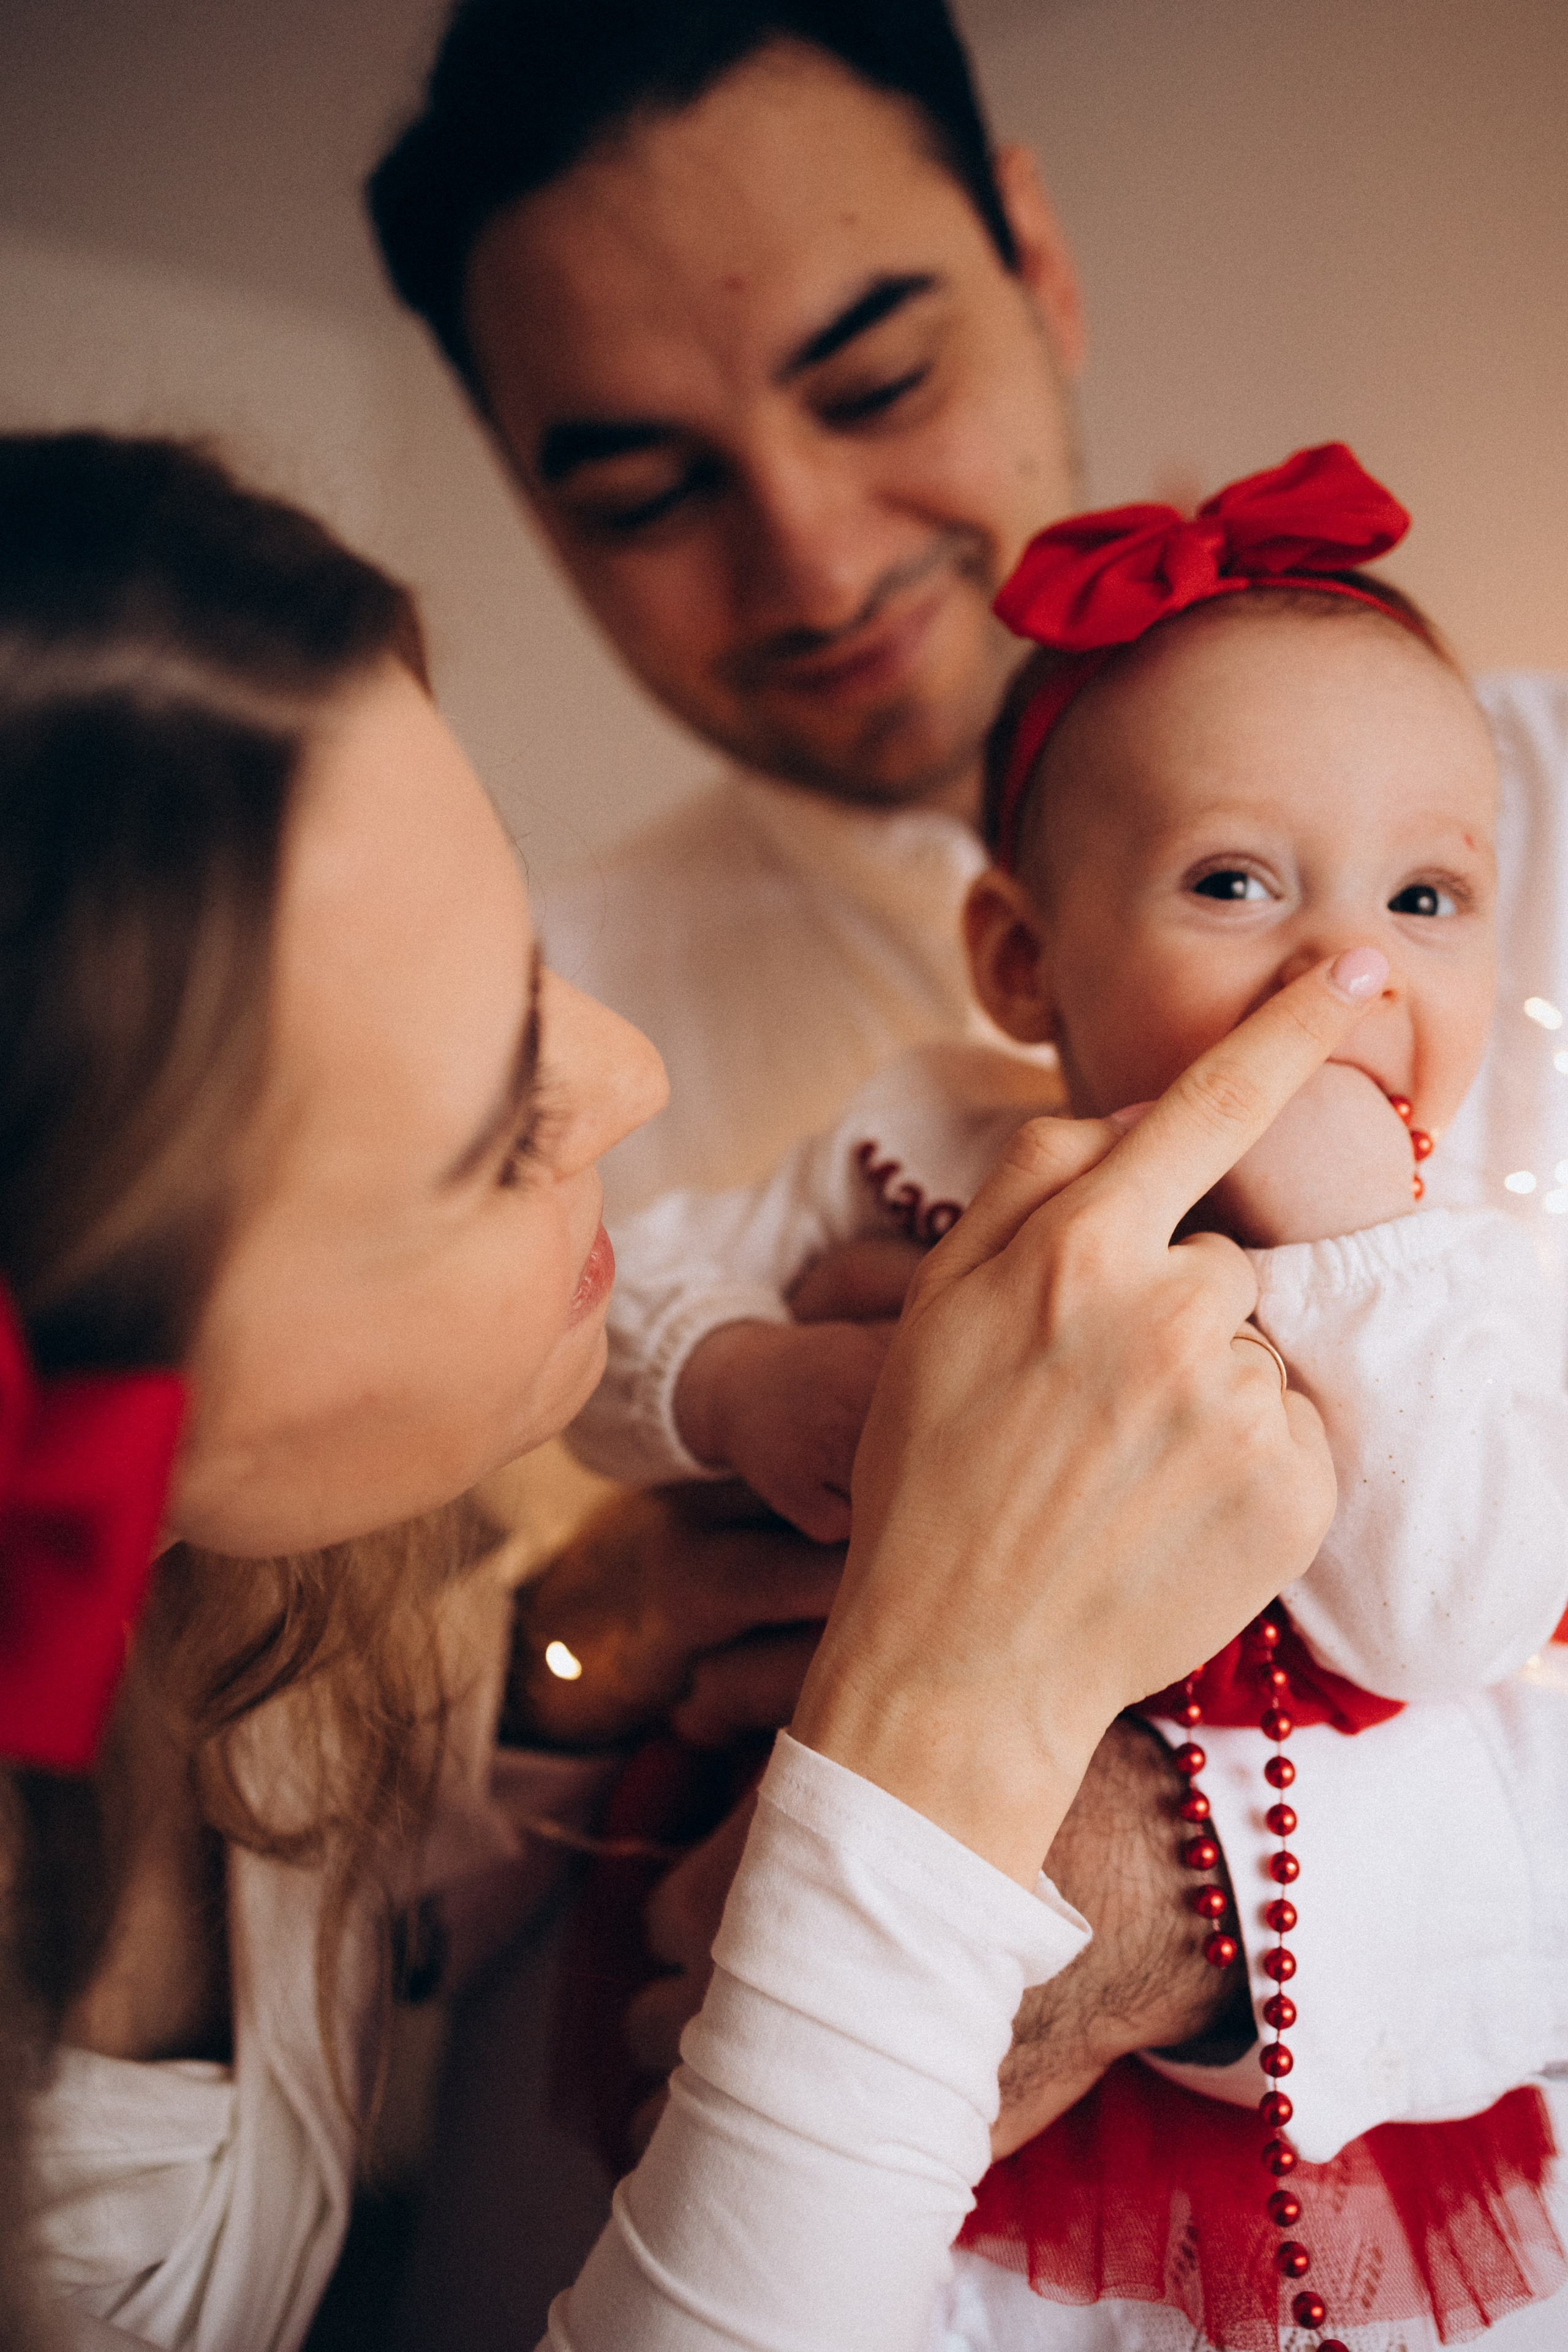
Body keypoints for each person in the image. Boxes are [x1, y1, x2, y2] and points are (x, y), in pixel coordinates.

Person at [368, 0, 1568, 2320]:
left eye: (876, 376)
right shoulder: (523, 1009)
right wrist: (593, 1626)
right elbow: (317, 1820)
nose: (810, 553)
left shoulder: (1492, 843)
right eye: (639, 487)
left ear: (1033, 251)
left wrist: (1187, 1880)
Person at [0, 428, 1376, 2352]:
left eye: (540, 978)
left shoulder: (262, 1611)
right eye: (497, 1126)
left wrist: (603, 1629)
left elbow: (360, 1958)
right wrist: (951, 1714)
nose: (631, 1080)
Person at [571, 444, 1568, 2344]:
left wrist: (1358, 1252)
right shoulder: (916, 1149)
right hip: (870, 1982)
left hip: (1277, 2073)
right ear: (1023, 959)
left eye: (1429, 899)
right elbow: (611, 1313)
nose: (1347, 972)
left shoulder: (1449, 1288)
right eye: (1234, 883)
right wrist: (742, 1381)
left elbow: (1447, 1623)